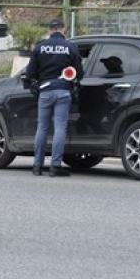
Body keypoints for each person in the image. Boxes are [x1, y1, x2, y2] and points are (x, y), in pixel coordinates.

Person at [24, 19, 83, 177]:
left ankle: (37, 166)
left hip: (45, 92)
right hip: (63, 91)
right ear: (63, 29)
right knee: (59, 128)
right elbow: (80, 73)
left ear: (50, 30)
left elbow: (30, 74)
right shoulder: (71, 47)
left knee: (42, 128)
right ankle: (55, 166)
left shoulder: (40, 47)